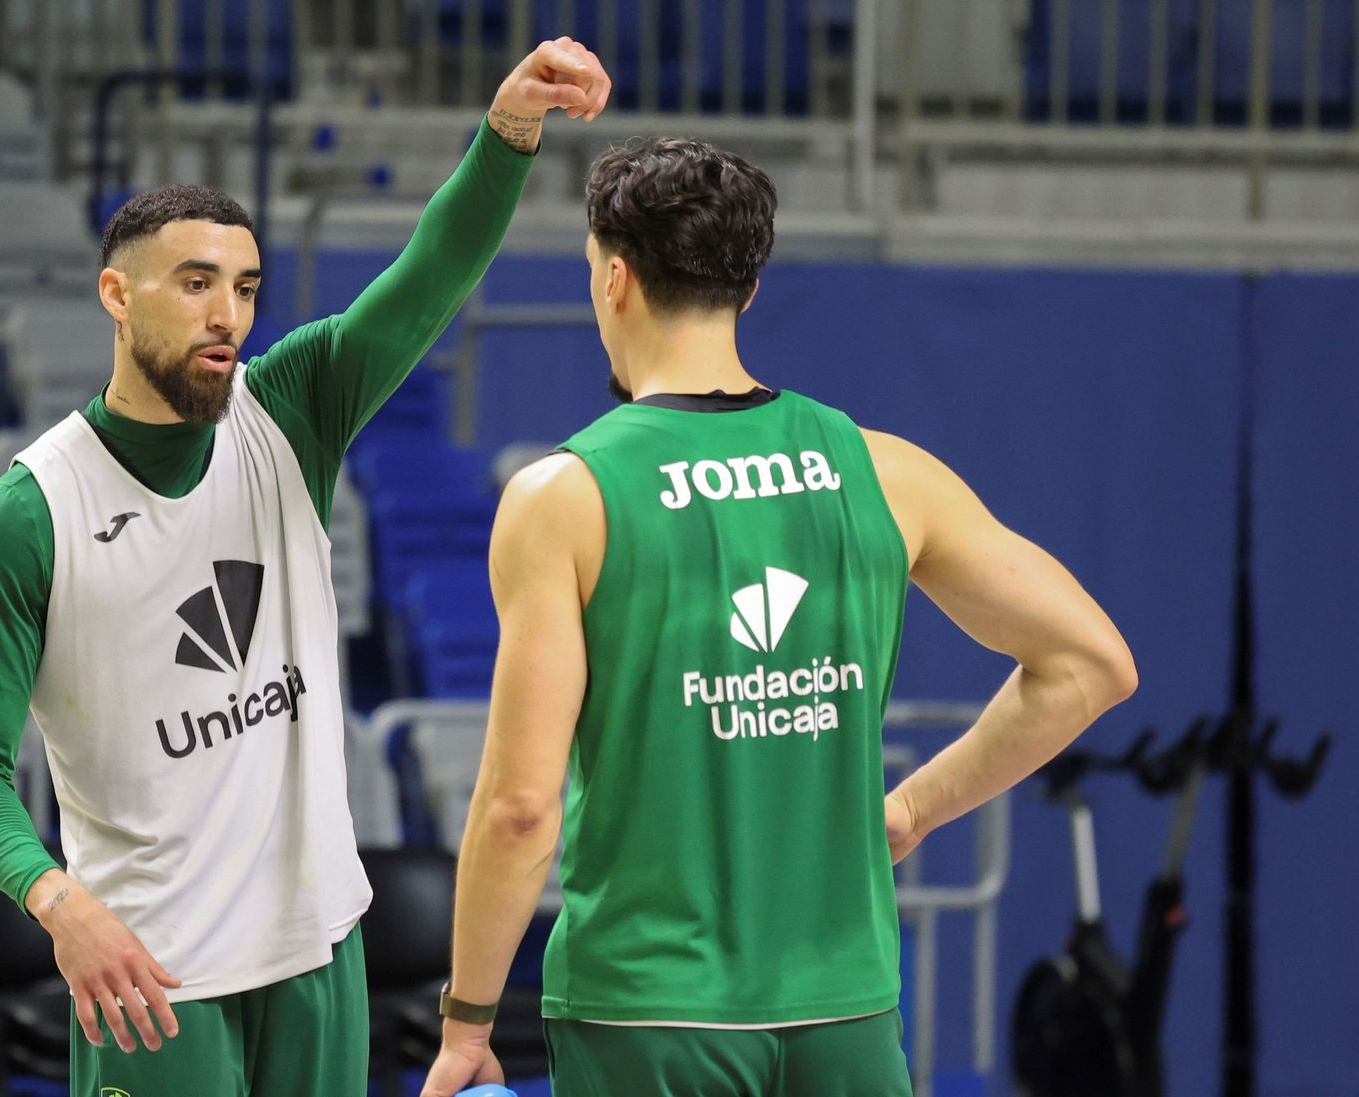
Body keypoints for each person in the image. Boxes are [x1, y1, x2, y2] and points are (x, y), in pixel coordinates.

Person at [0, 38, 612, 1096]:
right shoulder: (27, 514)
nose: (228, 315)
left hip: (317, 949)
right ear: (116, 293)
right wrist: (59, 902)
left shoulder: (290, 411)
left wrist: (509, 130)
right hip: (151, 976)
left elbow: (428, 276)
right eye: (195, 283)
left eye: (246, 287)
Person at [420, 137, 1139, 1097]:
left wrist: (468, 1019)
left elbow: (519, 809)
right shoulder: (883, 471)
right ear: (748, 289)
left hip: (650, 1012)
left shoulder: (566, 496)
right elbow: (1091, 665)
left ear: (615, 280)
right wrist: (913, 809)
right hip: (847, 1012)